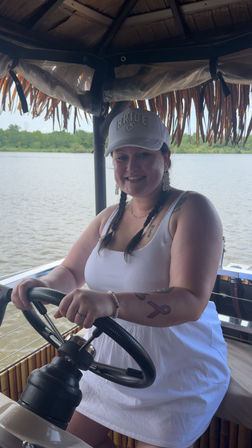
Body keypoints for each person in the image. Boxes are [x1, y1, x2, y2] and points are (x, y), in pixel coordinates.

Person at [12, 108, 230, 448]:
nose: (131, 167)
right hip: (104, 366)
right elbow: (70, 271)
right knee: (64, 442)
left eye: (143, 155)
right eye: (121, 157)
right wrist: (45, 286)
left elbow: (190, 300)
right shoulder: (108, 217)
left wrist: (109, 301)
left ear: (166, 157)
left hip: (173, 374)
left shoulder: (192, 209)